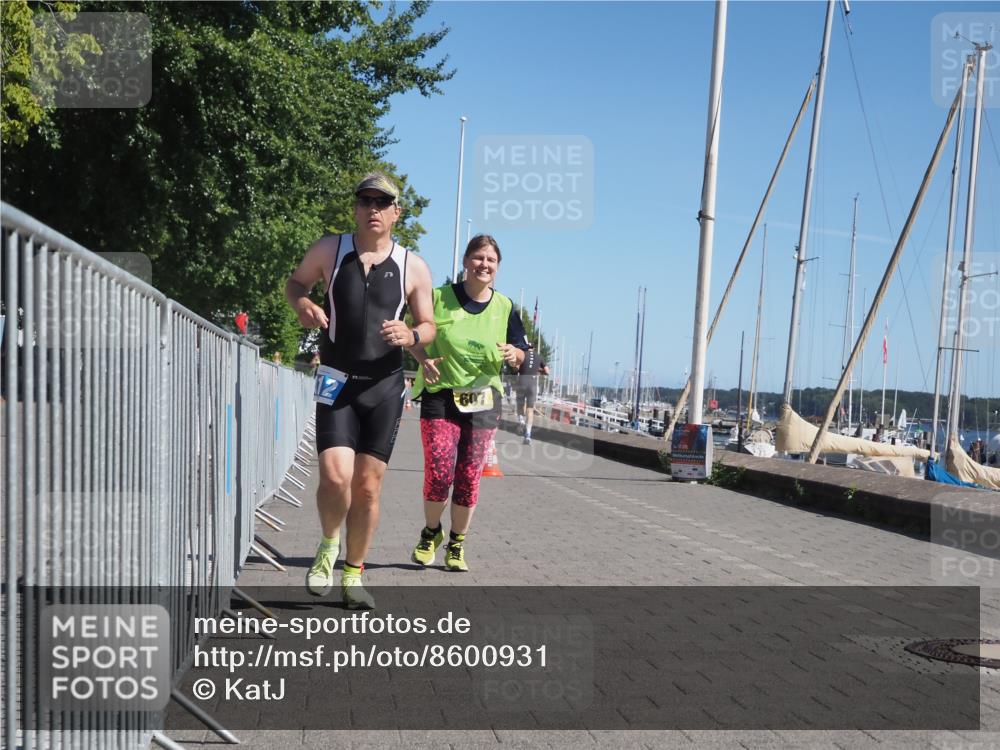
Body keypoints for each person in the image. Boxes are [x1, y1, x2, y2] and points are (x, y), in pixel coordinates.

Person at [285, 172, 435, 609]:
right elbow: (296, 284)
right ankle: (329, 544)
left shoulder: (412, 265)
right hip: (336, 379)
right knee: (335, 477)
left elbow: (428, 326)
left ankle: (353, 573)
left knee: (368, 488)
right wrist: (304, 303)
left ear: (396, 213)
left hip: (385, 388)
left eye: (382, 202)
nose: (373, 208)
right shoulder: (330, 249)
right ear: (355, 207)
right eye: (365, 200)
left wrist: (411, 336)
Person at [408, 235, 528, 572]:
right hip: (440, 395)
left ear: (498, 267)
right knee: (439, 470)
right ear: (465, 261)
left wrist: (515, 355)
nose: (484, 265)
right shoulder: (438, 298)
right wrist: (422, 358)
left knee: (468, 476)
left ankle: (457, 544)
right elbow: (411, 334)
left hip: (484, 401)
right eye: (478, 258)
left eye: (491, 260)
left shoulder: (505, 307)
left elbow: (522, 352)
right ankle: (431, 532)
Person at [515, 344, 549, 445]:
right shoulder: (539, 357)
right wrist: (539, 371)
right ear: (533, 348)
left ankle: (521, 420)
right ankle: (528, 435)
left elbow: (516, 368)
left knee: (520, 404)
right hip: (532, 384)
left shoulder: (522, 355)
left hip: (522, 382)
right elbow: (547, 371)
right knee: (530, 409)